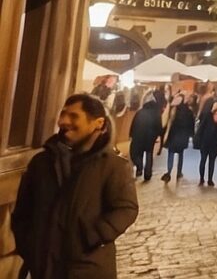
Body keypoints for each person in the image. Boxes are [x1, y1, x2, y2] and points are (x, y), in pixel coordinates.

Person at [13, 94, 138, 279]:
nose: (63, 121)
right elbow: (22, 212)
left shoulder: (112, 165)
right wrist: (29, 246)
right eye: (63, 114)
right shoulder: (41, 163)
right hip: (43, 269)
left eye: (73, 116)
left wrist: (91, 236)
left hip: (87, 269)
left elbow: (126, 208)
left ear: (98, 123)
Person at [128, 90, 163, 183]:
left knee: (135, 153)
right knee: (149, 153)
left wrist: (131, 134)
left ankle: (139, 168)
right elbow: (159, 125)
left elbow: (134, 124)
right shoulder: (157, 113)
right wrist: (159, 135)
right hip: (151, 136)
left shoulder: (140, 112)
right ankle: (148, 174)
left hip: (138, 135)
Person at [160, 92, 194, 184]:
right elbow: (191, 124)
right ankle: (179, 172)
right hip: (183, 137)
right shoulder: (189, 111)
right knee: (181, 154)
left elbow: (167, 123)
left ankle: (169, 172)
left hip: (173, 136)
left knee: (170, 154)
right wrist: (191, 135)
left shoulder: (173, 110)